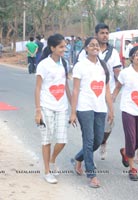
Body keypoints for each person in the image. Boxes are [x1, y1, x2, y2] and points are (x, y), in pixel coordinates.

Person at [69, 37, 114, 188]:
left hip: (100, 108)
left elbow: (106, 90)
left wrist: (111, 110)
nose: (95, 47)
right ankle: (92, 175)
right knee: (88, 140)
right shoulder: (80, 66)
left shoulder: (103, 67)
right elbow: (75, 90)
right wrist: (73, 112)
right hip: (84, 107)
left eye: (97, 45)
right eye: (92, 45)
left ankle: (78, 158)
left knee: (98, 140)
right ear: (86, 48)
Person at [78, 23, 122, 160]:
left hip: (106, 94)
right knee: (88, 133)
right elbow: (79, 75)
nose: (105, 35)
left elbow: (117, 75)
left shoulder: (113, 53)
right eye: (102, 33)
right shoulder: (84, 52)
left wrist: (114, 94)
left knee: (108, 126)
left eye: (107, 33)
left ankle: (103, 142)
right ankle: (86, 159)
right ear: (96, 34)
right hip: (88, 96)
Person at [112, 46, 138, 181]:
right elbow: (118, 87)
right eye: (137, 55)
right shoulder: (125, 73)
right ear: (131, 57)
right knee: (131, 139)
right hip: (128, 110)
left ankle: (125, 152)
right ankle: (132, 169)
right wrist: (111, 101)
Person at [34, 33, 71, 184]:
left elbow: (65, 86)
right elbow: (37, 88)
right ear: (52, 48)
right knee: (47, 139)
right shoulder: (43, 65)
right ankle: (47, 171)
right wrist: (38, 111)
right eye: (61, 47)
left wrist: (73, 107)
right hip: (46, 106)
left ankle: (52, 160)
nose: (64, 49)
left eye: (65, 46)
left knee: (62, 140)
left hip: (62, 107)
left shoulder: (65, 63)